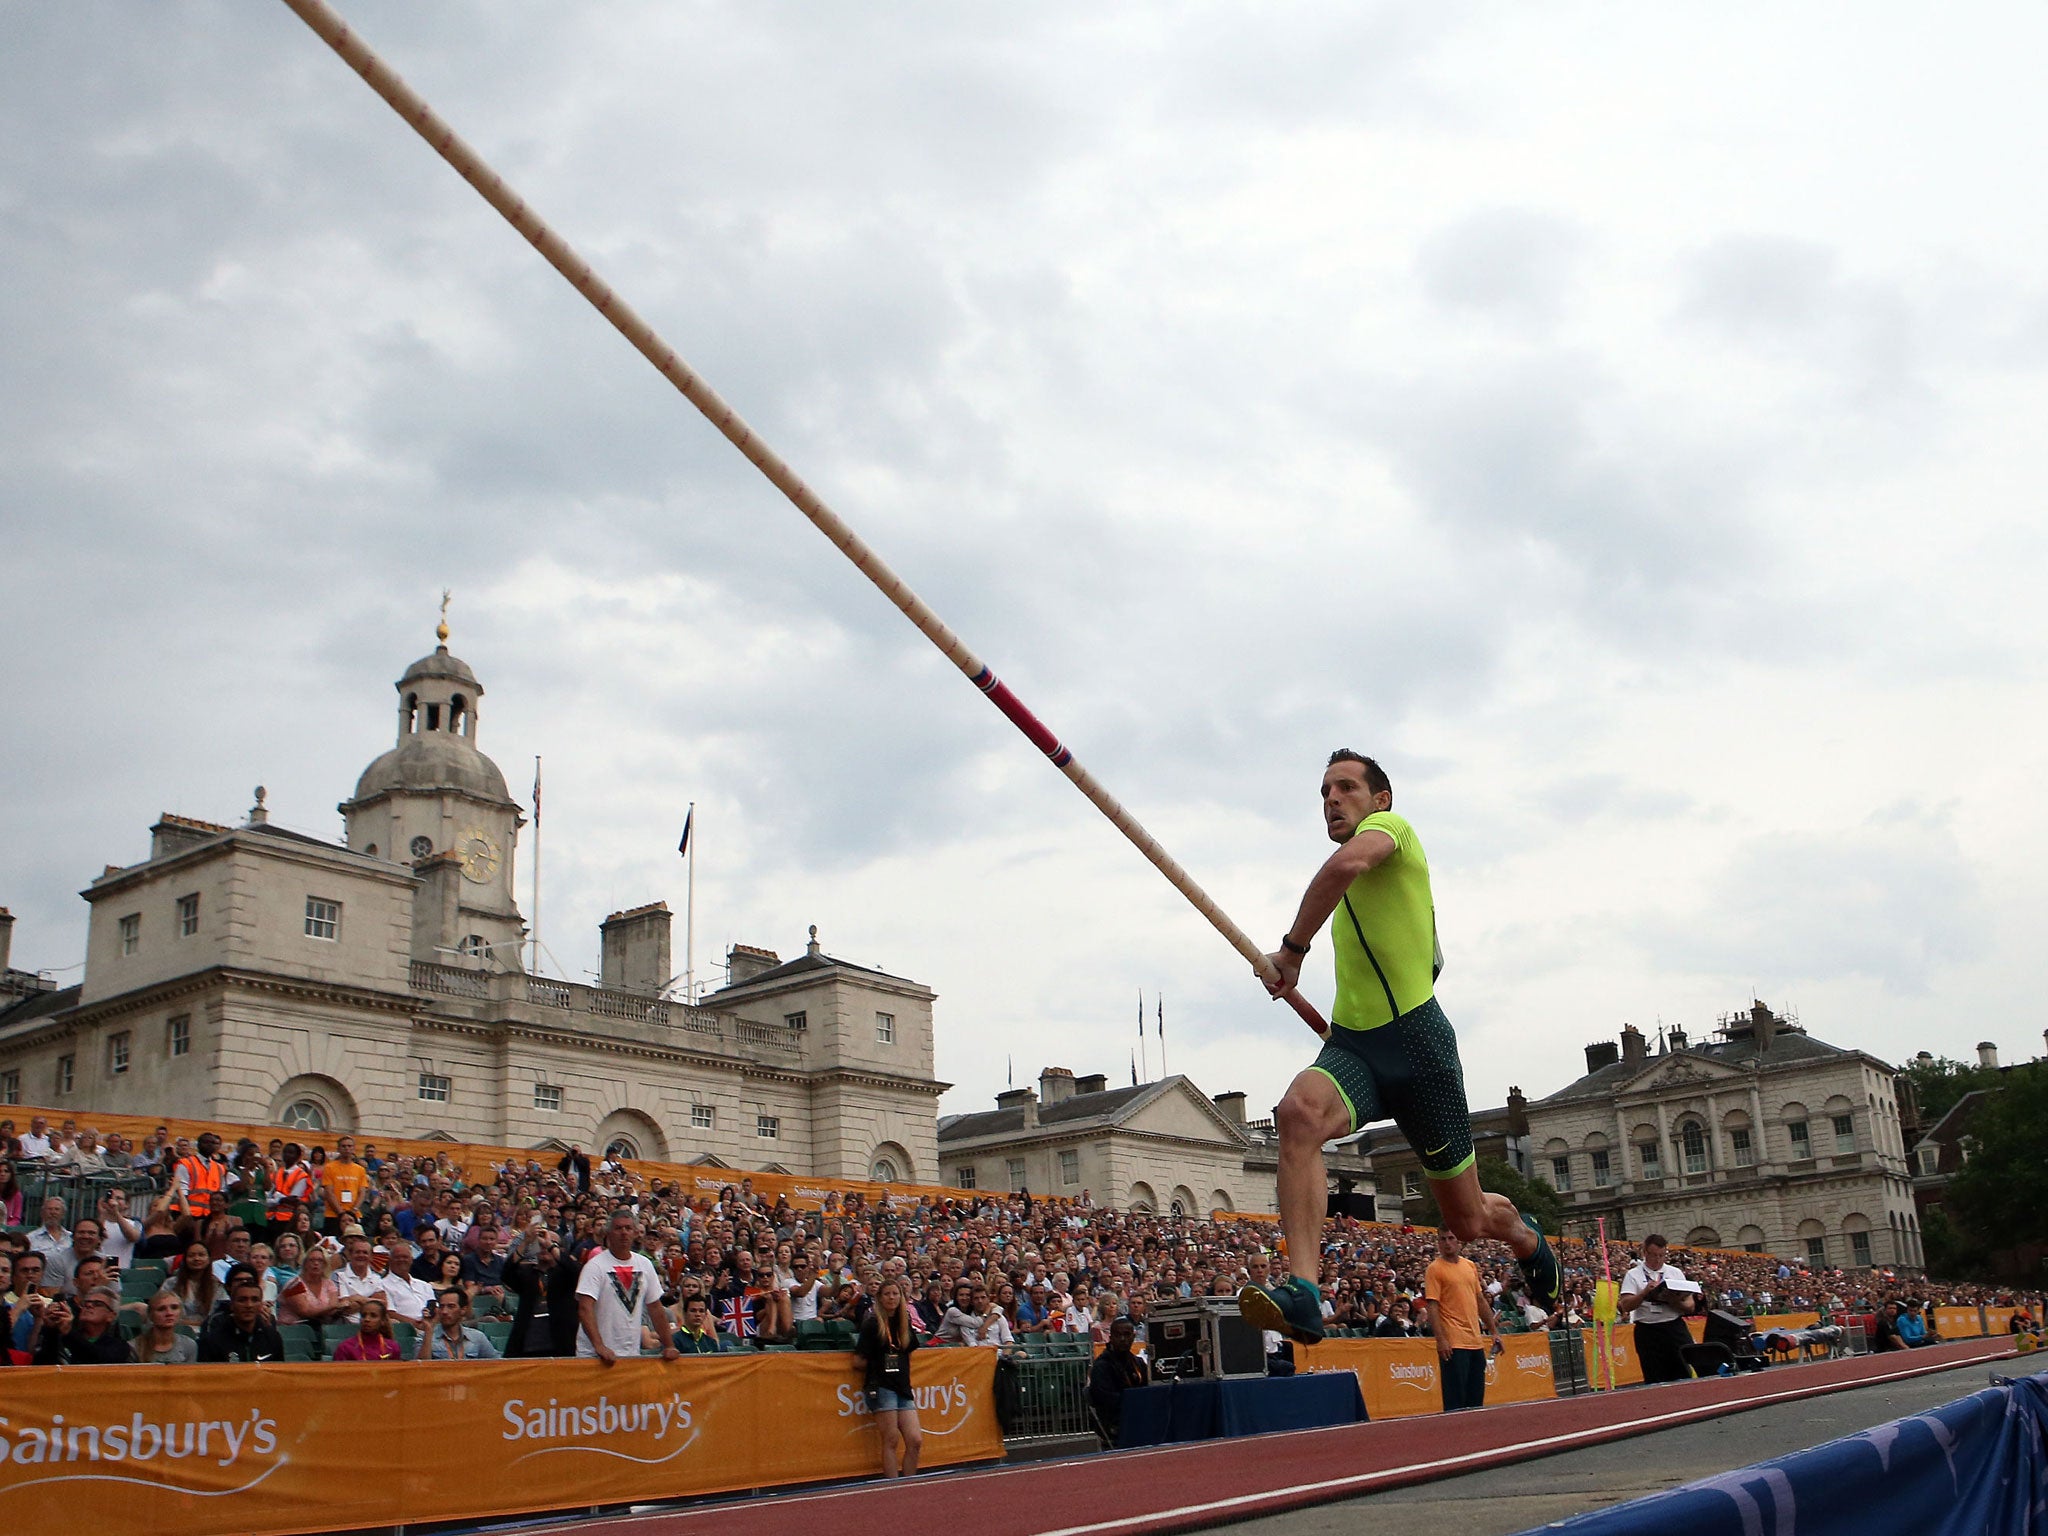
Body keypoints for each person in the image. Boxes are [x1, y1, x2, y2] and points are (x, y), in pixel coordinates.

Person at [1245, 752, 1559, 1345]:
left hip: (1420, 1049)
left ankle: (1525, 1238)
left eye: (1345, 787)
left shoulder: (1391, 831)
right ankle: (1305, 1293)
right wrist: (1292, 968)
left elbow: (1347, 866)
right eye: (1324, 791)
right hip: (1356, 1048)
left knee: (1467, 1221)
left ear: (1380, 798)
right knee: (1297, 1115)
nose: (1331, 799)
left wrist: (1291, 951)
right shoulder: (1346, 896)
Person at [576, 1209, 679, 1364]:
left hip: (630, 1354)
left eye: (628, 1228)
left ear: (635, 1233)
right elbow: (585, 1309)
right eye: (618, 1228)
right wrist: (599, 1346)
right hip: (594, 1356)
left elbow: (655, 1308)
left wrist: (669, 1345)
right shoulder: (595, 1266)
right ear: (608, 1233)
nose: (624, 1233)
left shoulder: (645, 1264)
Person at [1423, 1230, 1501, 1413]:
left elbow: (1480, 1300)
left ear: (1458, 1242)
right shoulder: (1435, 1269)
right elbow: (1432, 1306)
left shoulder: (1469, 1266)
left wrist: (1494, 1332)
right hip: (1454, 1341)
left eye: (1451, 1238)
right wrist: (1441, 1339)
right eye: (1443, 1239)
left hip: (1475, 1340)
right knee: (1456, 1400)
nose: (1447, 1243)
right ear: (1438, 1243)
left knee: (1475, 1398)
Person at [857, 1278, 922, 1479]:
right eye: (887, 1294)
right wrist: (879, 1363)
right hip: (881, 1385)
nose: (892, 1297)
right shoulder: (872, 1324)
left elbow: (908, 1352)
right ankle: (892, 1486)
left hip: (902, 1386)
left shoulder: (905, 1322)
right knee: (891, 1439)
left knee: (915, 1440)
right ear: (879, 1297)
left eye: (895, 1293)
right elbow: (858, 1361)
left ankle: (909, 1481)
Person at [1619, 1234, 1697, 1383]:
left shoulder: (1675, 1273)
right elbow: (1626, 1305)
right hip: (1648, 1330)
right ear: (1645, 1253)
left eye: (1661, 1255)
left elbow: (1690, 1306)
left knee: (1683, 1371)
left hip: (1673, 1326)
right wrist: (1644, 1293)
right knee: (1654, 1375)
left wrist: (1673, 1301)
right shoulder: (1633, 1275)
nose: (1658, 1259)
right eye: (1654, 1255)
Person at [503, 1227, 580, 1357]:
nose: (544, 1246)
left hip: (561, 1341)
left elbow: (576, 1270)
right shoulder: (527, 1272)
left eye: (550, 1243)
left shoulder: (567, 1274)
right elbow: (506, 1273)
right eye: (540, 1244)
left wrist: (550, 1245)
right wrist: (526, 1242)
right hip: (528, 1343)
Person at [1086, 1315, 1152, 1448]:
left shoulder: (1137, 1362)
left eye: (1127, 1335)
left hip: (1138, 1415)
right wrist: (1135, 1402)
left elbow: (1148, 1389)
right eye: (1118, 1335)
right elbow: (1106, 1399)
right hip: (1115, 1421)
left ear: (1133, 1337)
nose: (1123, 1339)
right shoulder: (1102, 1366)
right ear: (1111, 1337)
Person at [30, 1284, 134, 1365]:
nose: (89, 1305)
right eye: (86, 1303)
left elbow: (97, 1359)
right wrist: (51, 1330)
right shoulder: (63, 1336)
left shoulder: (119, 1346)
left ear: (111, 1316)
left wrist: (69, 1332)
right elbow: (41, 1365)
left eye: (97, 1304)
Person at [199, 1276, 284, 1362]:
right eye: (242, 1300)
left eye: (255, 1300)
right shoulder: (212, 1341)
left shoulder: (272, 1338)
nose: (249, 1305)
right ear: (232, 1305)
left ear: (260, 1305)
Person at [416, 1289, 498, 1360]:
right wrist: (429, 1331)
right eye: (441, 1306)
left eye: (451, 1306)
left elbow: (499, 1364)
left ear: (463, 1310)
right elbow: (420, 1368)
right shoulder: (424, 1337)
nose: (444, 1311)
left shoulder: (477, 1337)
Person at [133, 1289, 198, 1364]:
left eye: (174, 1307)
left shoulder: (189, 1346)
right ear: (150, 1315)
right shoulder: (135, 1347)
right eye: (161, 1309)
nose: (169, 1313)